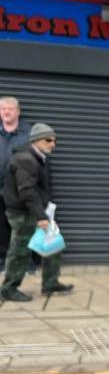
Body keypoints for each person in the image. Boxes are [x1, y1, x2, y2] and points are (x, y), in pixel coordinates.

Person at [1, 123, 73, 302]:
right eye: (48, 140)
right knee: (20, 250)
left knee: (53, 244)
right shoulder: (26, 159)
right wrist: (41, 216)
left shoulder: (38, 156)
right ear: (36, 140)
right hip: (23, 213)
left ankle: (50, 283)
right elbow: (27, 191)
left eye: (55, 140)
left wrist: (44, 211)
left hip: (36, 209)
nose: (53, 144)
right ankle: (9, 288)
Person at [1, 96, 32, 269]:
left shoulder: (28, 133)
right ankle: (3, 260)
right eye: (3, 108)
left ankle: (26, 263)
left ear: (18, 112)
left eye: (10, 108)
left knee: (23, 228)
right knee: (2, 228)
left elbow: (40, 160)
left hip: (21, 190)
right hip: (0, 190)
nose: (6, 111)